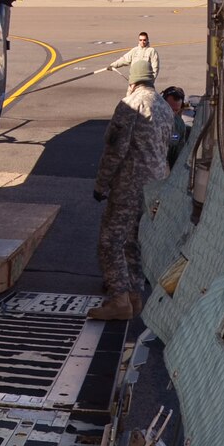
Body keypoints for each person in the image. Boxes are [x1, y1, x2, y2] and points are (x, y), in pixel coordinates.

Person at [88, 66, 176, 321]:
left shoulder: (129, 105)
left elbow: (116, 150)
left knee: (110, 241)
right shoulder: (163, 106)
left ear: (133, 80)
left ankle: (119, 299)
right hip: (155, 186)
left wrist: (101, 185)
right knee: (134, 242)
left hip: (130, 184)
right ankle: (135, 297)